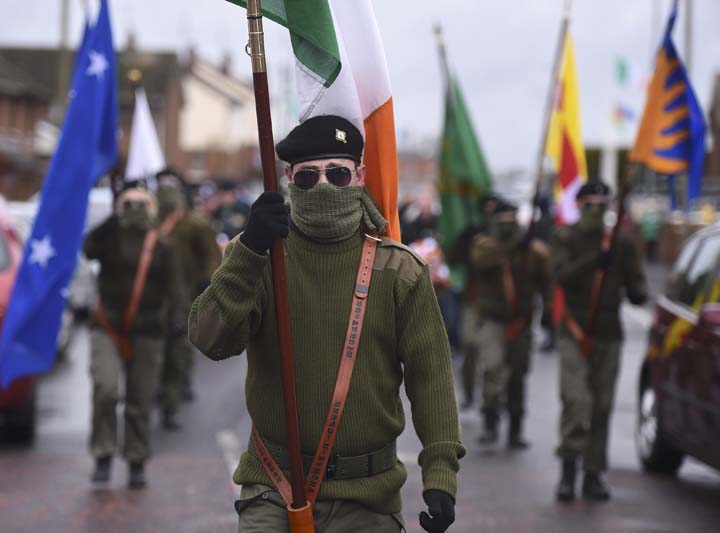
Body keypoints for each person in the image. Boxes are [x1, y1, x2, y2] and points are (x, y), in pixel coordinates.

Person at [190, 115, 465, 532]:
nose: (321, 186)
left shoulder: (399, 269)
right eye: (306, 177)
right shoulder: (259, 257)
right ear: (287, 179)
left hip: (368, 495)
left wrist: (441, 473)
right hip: (274, 487)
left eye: (337, 174)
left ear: (359, 176)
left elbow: (431, 379)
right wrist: (249, 249)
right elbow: (209, 339)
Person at [550, 179, 648, 501]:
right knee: (577, 402)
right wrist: (592, 263)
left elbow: (638, 285)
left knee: (602, 407)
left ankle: (593, 473)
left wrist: (636, 292)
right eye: (589, 203)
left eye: (601, 203)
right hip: (575, 332)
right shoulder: (566, 238)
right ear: (579, 205)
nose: (596, 209)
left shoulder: (621, 242)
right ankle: (568, 470)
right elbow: (560, 275)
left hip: (609, 335)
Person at [84, 182, 186, 488]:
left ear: (153, 208)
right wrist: (111, 221)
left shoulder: (162, 245)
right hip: (108, 327)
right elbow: (87, 249)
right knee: (105, 389)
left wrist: (180, 320)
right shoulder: (110, 238)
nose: (136, 210)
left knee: (139, 399)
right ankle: (102, 453)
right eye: (129, 203)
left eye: (142, 204)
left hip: (148, 331)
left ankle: (137, 459)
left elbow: (176, 287)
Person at [470, 199, 553, 449]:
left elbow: (547, 278)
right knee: (492, 368)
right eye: (502, 219)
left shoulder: (531, 249)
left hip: (521, 321)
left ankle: (516, 428)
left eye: (511, 219)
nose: (507, 223)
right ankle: (490, 420)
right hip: (493, 319)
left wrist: (548, 312)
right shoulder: (484, 244)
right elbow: (481, 260)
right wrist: (514, 244)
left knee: (518, 374)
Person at [156, 170, 222, 429]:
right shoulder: (152, 225)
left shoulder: (195, 225)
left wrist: (208, 281)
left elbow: (210, 256)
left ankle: (171, 401)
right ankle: (158, 390)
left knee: (179, 350)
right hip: (154, 296)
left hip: (185, 295)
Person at [446, 195, 499, 409]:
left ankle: (491, 407)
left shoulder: (505, 236)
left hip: (496, 305)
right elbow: (454, 258)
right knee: (469, 346)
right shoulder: (471, 234)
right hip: (473, 300)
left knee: (493, 360)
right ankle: (469, 391)